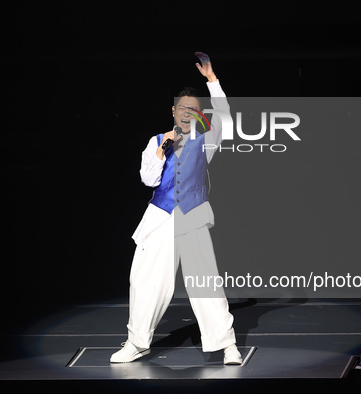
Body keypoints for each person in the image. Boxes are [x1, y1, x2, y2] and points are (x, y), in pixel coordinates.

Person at [110, 52, 242, 365]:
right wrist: (160, 150)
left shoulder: (206, 139)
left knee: (205, 282)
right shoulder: (157, 140)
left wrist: (212, 80)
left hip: (193, 216)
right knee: (145, 282)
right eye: (182, 108)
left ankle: (226, 345)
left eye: (192, 110)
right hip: (160, 218)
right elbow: (147, 179)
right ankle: (136, 342)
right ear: (173, 110)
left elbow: (225, 119)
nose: (186, 114)